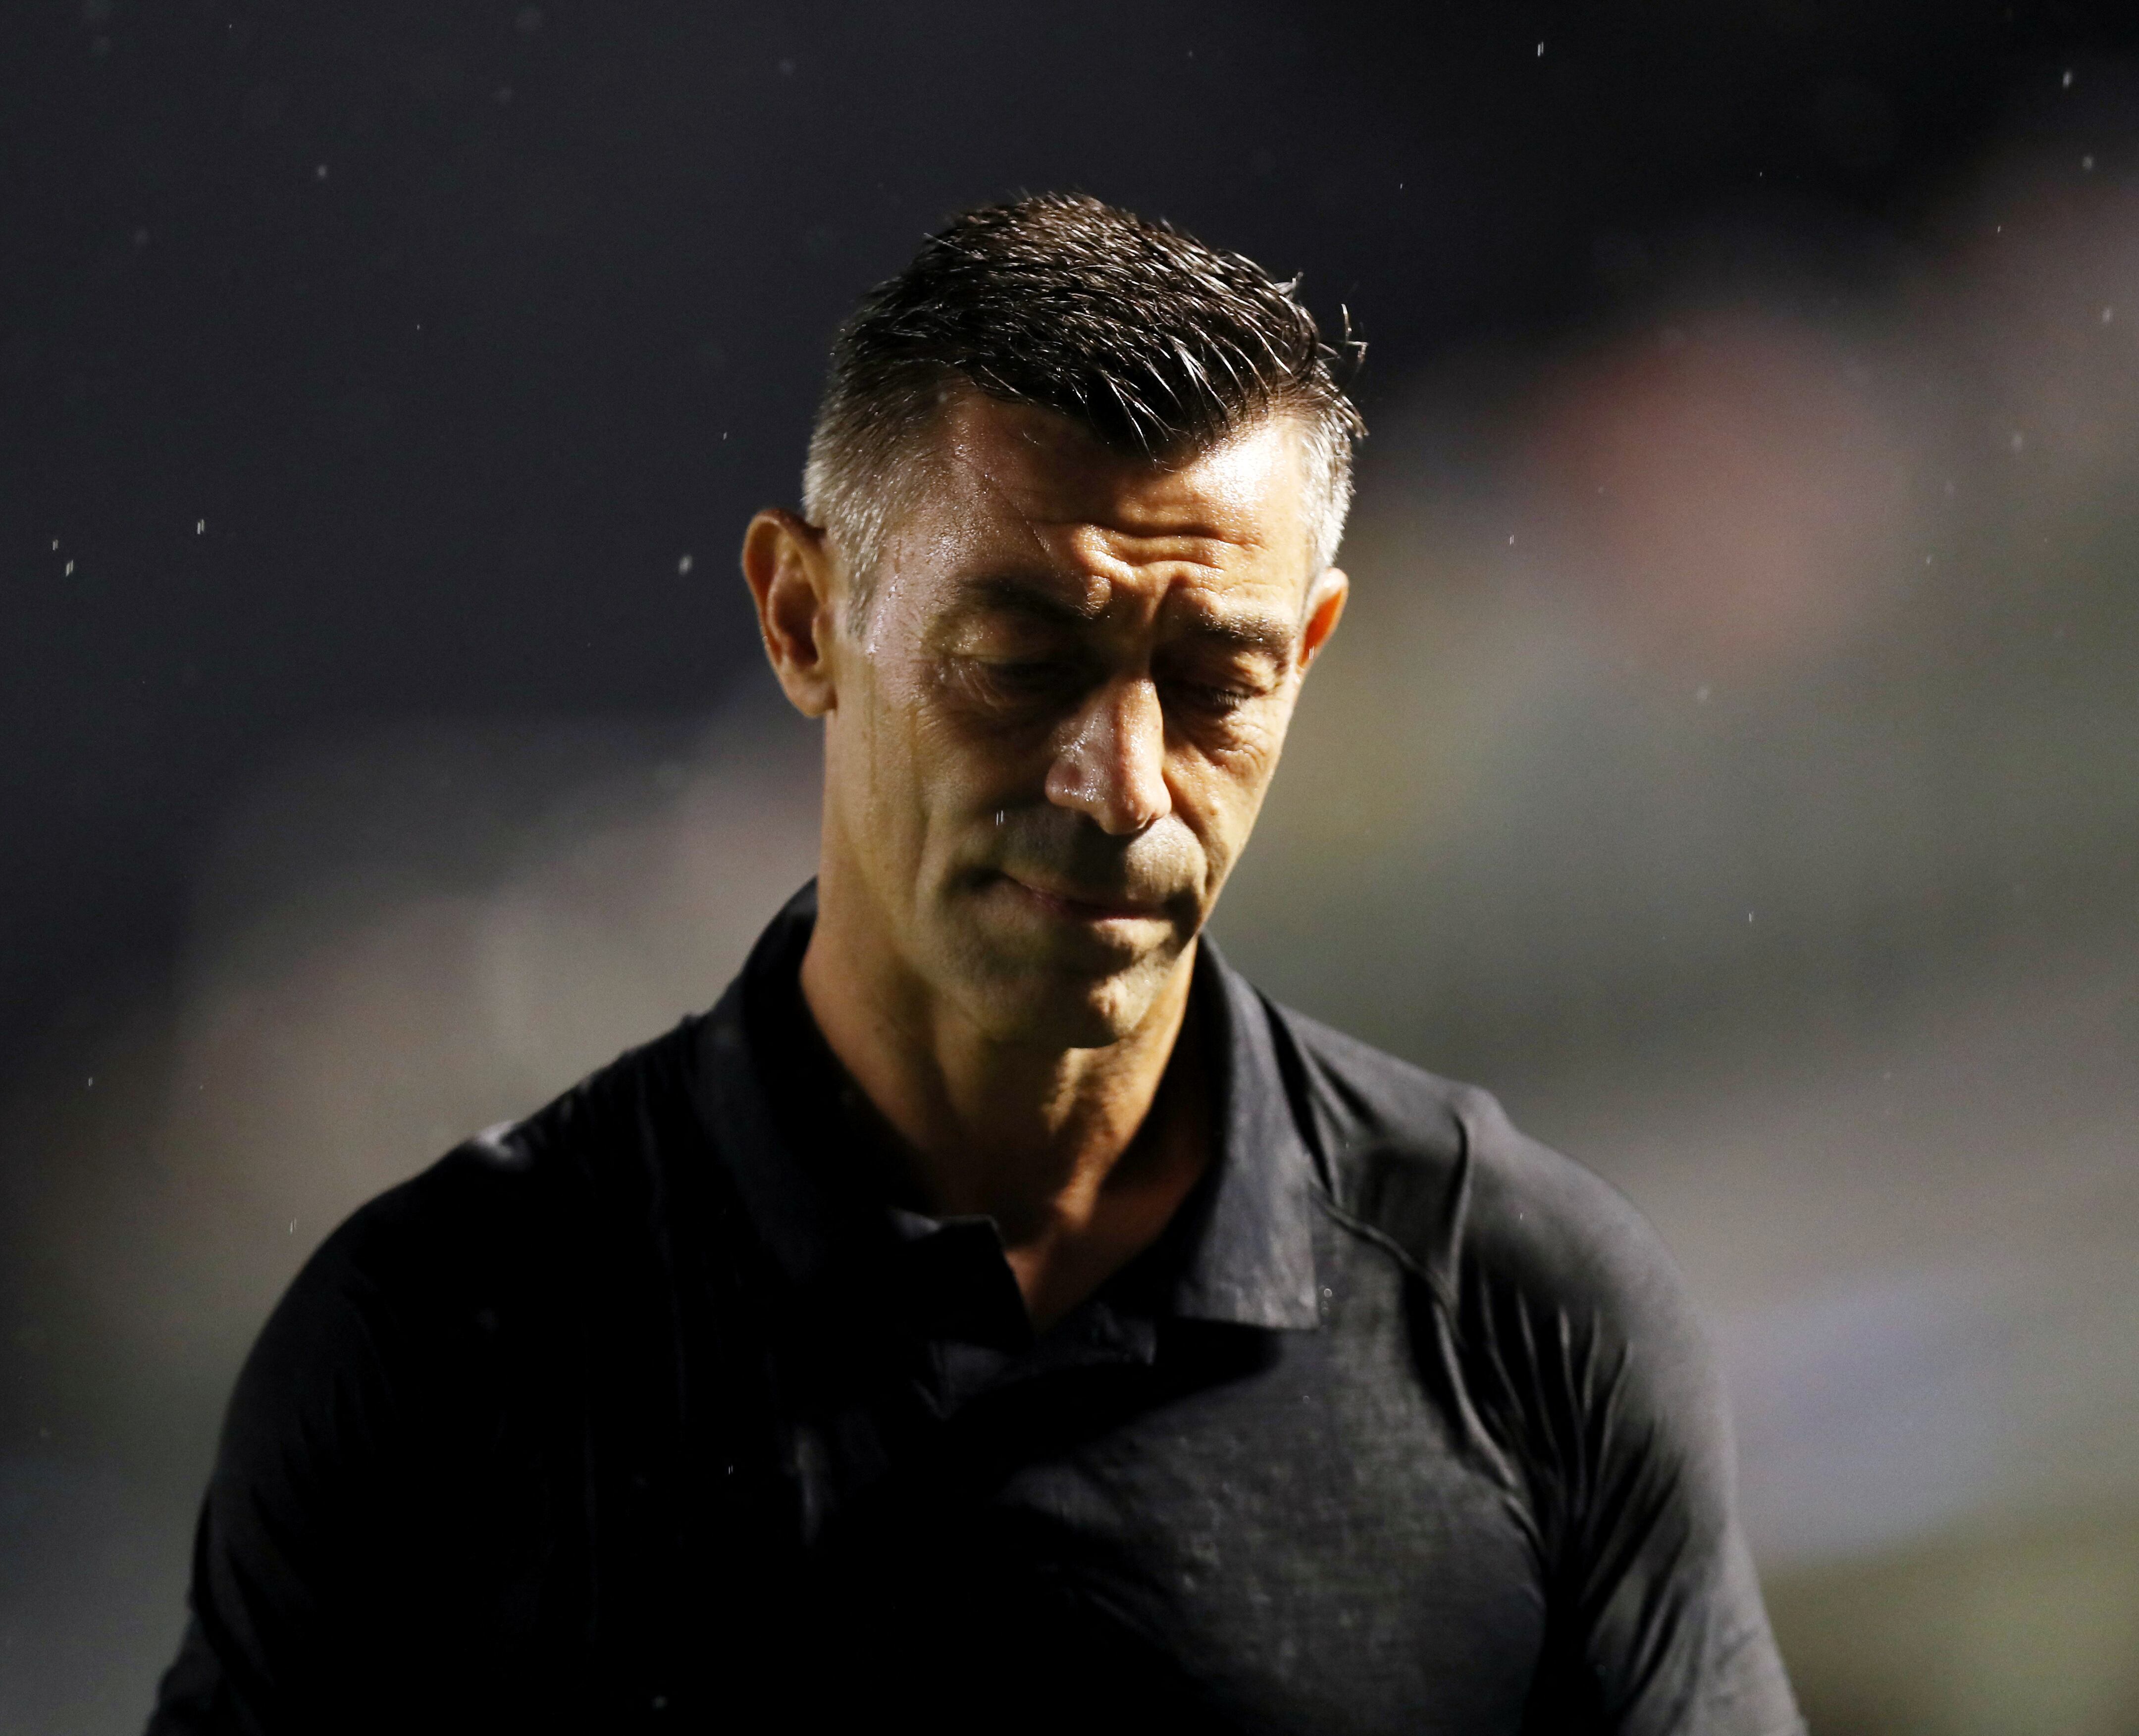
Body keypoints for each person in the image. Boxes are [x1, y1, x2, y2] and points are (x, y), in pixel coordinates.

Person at [147, 194, 1804, 1735]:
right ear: (805, 619)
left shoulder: (1531, 1314)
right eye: (1019, 662)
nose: (1124, 784)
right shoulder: (439, 1351)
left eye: (1218, 679)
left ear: (1309, 656)